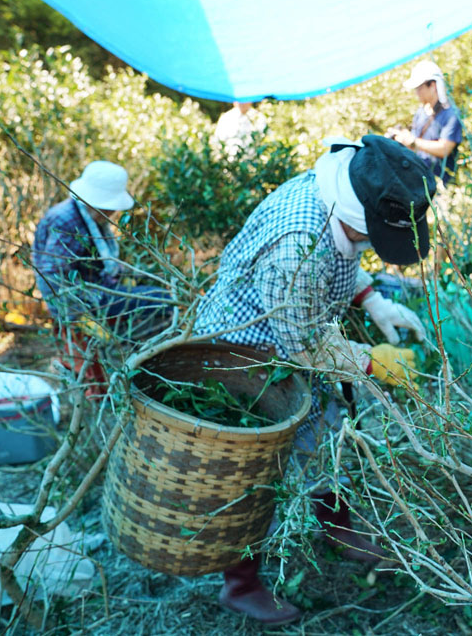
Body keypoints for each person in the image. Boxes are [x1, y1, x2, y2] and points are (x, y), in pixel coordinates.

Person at [194, 134, 435, 625]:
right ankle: (240, 583)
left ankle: (337, 528)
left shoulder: (342, 192)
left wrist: (371, 298)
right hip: (246, 359)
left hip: (293, 339)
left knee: (324, 434)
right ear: (357, 211)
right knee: (253, 471)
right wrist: (374, 364)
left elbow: (344, 252)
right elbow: (303, 345)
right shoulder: (296, 244)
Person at [32, 161, 171, 339]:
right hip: (87, 298)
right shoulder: (67, 222)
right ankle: (127, 345)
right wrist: (76, 316)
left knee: (155, 291)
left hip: (98, 286)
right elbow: (52, 275)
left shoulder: (88, 216)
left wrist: (131, 273)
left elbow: (99, 260)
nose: (112, 212)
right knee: (160, 299)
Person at [387, 60, 463, 187]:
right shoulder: (421, 113)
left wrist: (413, 141)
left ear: (432, 86)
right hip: (422, 182)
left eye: (419, 88)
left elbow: (444, 149)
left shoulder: (451, 114)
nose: (417, 93)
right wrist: (401, 140)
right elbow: (415, 148)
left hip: (442, 184)